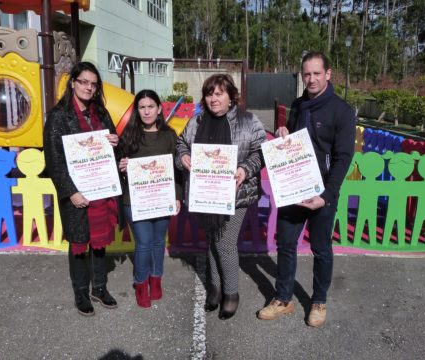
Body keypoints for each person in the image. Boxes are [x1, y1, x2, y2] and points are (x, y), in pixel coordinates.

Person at [257, 51, 356, 327]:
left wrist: (325, 196)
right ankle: (283, 298)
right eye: (306, 74)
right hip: (294, 189)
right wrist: (283, 133)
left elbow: (343, 157)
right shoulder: (298, 105)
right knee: (286, 245)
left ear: (328, 74)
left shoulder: (342, 111)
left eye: (316, 73)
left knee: (322, 248)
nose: (311, 79)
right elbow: (291, 137)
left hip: (321, 193)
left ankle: (319, 300)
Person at [176, 74, 266, 320]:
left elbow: (262, 151)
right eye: (209, 94)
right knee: (212, 240)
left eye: (219, 94)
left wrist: (245, 169)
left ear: (231, 97)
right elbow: (181, 143)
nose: (213, 99)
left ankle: (231, 293)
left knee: (225, 243)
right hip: (205, 194)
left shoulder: (249, 121)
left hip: (236, 195)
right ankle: (214, 288)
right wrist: (183, 157)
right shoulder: (196, 121)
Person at [43, 62, 120, 316]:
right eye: (84, 82)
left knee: (99, 243)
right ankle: (80, 293)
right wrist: (71, 192)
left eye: (94, 84)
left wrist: (114, 141)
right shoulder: (58, 116)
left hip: (99, 189)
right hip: (76, 192)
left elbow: (113, 152)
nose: (89, 87)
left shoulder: (102, 112)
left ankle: (99, 288)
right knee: (78, 243)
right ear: (73, 82)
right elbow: (54, 160)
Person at [118, 89, 182, 308]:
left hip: (162, 199)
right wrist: (121, 167)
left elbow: (177, 170)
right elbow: (116, 168)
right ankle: (140, 283)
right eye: (142, 107)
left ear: (158, 109)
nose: (146, 111)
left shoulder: (169, 135)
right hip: (135, 201)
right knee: (144, 243)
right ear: (137, 110)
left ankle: (156, 279)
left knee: (157, 242)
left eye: (150, 107)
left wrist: (177, 196)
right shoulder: (127, 135)